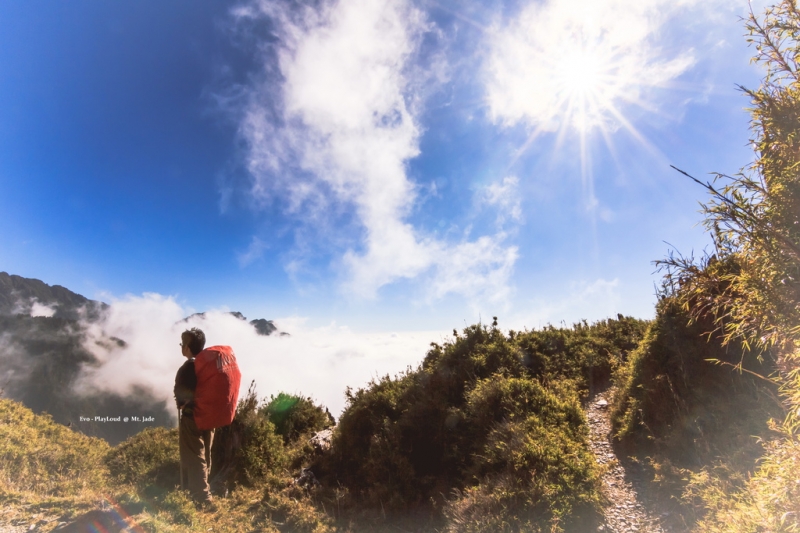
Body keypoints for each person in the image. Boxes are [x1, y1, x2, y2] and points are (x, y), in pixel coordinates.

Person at [174, 327, 215, 507]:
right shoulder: (208, 365)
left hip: (193, 417)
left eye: (182, 344)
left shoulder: (188, 367)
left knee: (195, 455)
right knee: (206, 454)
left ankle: (202, 498)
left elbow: (181, 396)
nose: (181, 347)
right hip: (210, 415)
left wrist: (182, 403)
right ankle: (203, 489)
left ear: (188, 346)